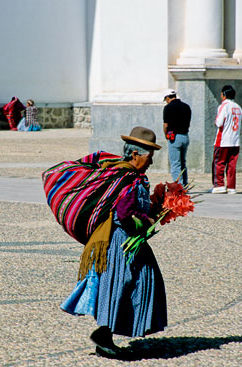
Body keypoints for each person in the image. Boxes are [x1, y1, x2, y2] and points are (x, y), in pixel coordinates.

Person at [57, 127, 167, 358]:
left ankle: (106, 334)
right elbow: (125, 213)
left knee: (123, 284)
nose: (150, 163)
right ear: (136, 154)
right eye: (149, 158)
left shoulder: (126, 175)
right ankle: (104, 335)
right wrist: (148, 220)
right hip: (120, 240)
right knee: (125, 282)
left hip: (121, 238)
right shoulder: (128, 177)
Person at [211, 85, 242, 194]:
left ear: (224, 95)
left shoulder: (223, 106)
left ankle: (219, 185)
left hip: (223, 140)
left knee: (219, 163)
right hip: (235, 140)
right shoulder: (238, 107)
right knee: (231, 165)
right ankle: (231, 187)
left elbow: (219, 122)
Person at [163, 89, 191, 186]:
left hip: (174, 138)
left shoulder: (168, 107)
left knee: (175, 163)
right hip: (185, 137)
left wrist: (166, 135)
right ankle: (185, 184)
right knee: (183, 162)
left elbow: (166, 125)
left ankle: (180, 186)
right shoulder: (186, 106)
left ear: (167, 98)